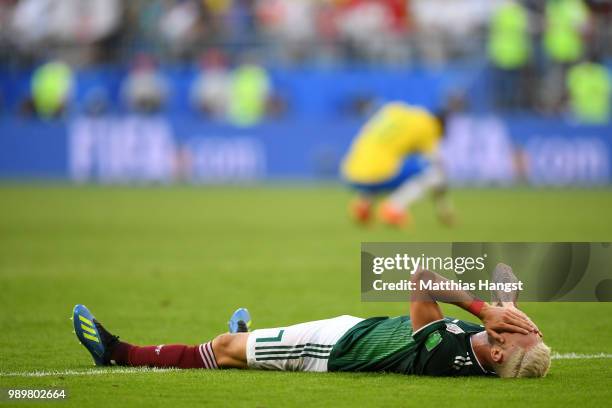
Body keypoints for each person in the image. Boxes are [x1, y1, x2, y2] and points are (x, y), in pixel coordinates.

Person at [73, 268, 550, 378]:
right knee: (240, 344)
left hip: (331, 350)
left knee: (219, 348)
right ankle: (247, 341)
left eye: (518, 331)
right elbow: (504, 275)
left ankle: (116, 352)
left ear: (499, 351)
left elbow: (422, 279)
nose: (521, 325)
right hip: (352, 329)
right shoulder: (488, 354)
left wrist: (485, 309)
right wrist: (504, 298)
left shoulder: (450, 354)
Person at [341, 101, 454, 228]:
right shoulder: (430, 126)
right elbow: (436, 164)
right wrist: (443, 208)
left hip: (350, 171)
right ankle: (394, 208)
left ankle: (363, 205)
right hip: (379, 173)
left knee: (384, 162)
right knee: (432, 174)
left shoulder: (395, 110)